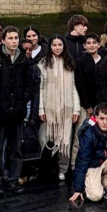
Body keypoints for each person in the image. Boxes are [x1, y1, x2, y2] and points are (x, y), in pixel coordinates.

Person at [0, 26, 33, 197]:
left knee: (15, 148)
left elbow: (29, 84)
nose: (14, 41)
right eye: (10, 38)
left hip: (17, 111)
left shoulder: (24, 60)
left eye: (16, 38)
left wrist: (22, 101)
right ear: (3, 40)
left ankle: (13, 180)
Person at [39, 35, 81, 181]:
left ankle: (63, 169)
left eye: (59, 45)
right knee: (47, 138)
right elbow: (41, 88)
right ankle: (47, 168)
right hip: (49, 108)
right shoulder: (44, 63)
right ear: (50, 46)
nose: (57, 48)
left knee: (65, 140)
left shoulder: (69, 62)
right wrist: (41, 109)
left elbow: (73, 87)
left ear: (64, 46)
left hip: (66, 107)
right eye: (54, 45)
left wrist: (76, 109)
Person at [70, 102, 107, 203]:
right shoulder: (89, 134)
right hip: (92, 167)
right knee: (95, 197)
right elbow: (82, 161)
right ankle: (91, 187)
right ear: (96, 117)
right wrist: (78, 189)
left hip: (105, 163)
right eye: (102, 118)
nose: (105, 122)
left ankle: (101, 187)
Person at [72, 33, 107, 172]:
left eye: (94, 42)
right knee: (81, 134)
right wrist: (87, 105)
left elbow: (106, 84)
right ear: (84, 46)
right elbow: (79, 84)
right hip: (85, 105)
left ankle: (96, 164)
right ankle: (74, 165)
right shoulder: (81, 61)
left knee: (100, 135)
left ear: (99, 44)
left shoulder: (106, 59)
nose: (91, 45)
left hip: (101, 105)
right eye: (88, 43)